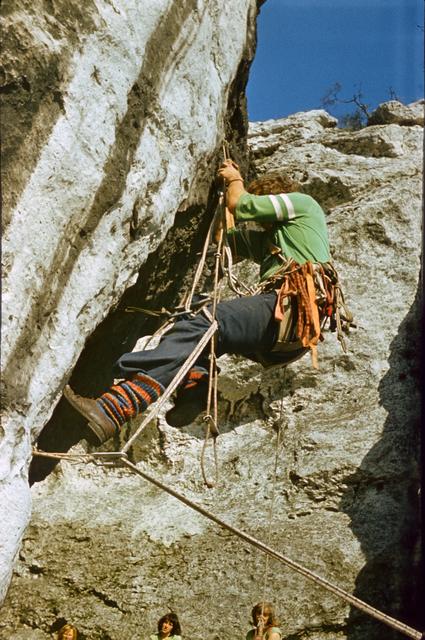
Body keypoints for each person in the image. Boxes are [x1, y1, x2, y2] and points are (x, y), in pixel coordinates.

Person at [64, 158, 345, 444]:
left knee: (207, 321)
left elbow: (242, 205)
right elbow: (228, 240)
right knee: (194, 320)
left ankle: (116, 406)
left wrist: (235, 181)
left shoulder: (303, 204)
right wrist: (223, 207)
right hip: (285, 335)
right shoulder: (272, 241)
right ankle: (195, 387)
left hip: (290, 310)